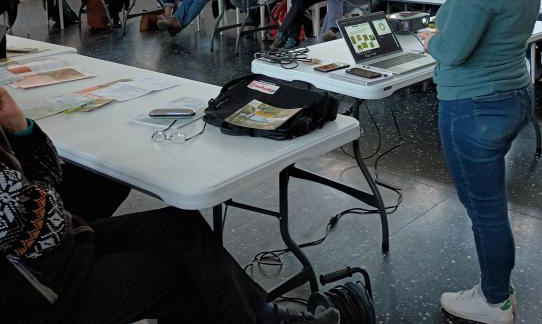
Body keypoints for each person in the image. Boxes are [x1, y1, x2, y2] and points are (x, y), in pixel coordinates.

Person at [0, 87, 339, 324]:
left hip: (52, 255)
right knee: (177, 277)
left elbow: (50, 180)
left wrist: (21, 129)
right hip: (30, 294)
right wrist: (32, 185)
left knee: (180, 225)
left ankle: (264, 317)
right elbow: (45, 226)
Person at [419, 0, 541, 323]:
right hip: (512, 93)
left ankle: (494, 300)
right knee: (489, 205)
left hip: (474, 104)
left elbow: (451, 51)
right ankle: (496, 291)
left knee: (486, 210)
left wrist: (431, 38)